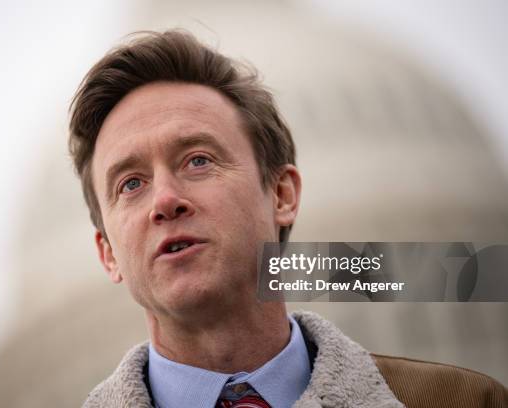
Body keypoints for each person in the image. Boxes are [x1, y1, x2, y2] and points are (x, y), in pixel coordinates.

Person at [68, 30, 507, 408]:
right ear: (108, 253)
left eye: (198, 161)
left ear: (281, 194)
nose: (165, 200)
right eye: (130, 184)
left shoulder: (465, 400)